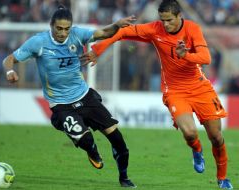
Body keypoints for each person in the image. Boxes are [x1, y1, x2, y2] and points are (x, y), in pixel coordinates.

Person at [80, 0, 233, 189]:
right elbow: (123, 32)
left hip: (200, 88)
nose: (165, 24)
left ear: (179, 17)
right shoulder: (155, 29)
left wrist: (185, 55)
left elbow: (206, 58)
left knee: (216, 137)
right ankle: (197, 150)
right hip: (175, 90)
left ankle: (222, 178)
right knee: (190, 132)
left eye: (169, 20)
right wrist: (98, 49)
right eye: (162, 20)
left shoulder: (193, 29)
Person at [2, 5, 137, 188]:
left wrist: (116, 24)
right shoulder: (38, 42)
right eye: (59, 28)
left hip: (85, 96)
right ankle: (92, 151)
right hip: (61, 104)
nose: (63, 33)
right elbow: (8, 59)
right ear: (51, 25)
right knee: (87, 140)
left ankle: (124, 178)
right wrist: (10, 70)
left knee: (119, 142)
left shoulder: (77, 34)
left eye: (66, 29)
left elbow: (104, 33)